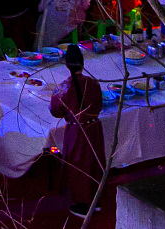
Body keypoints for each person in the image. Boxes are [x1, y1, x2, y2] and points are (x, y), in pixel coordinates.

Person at [48, 43, 106, 214]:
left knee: (78, 166)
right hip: (94, 128)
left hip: (76, 131)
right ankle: (95, 199)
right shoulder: (93, 83)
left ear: (66, 65)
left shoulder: (65, 87)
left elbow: (55, 110)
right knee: (93, 163)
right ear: (82, 63)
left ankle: (82, 204)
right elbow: (99, 104)